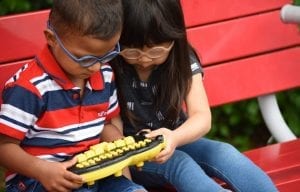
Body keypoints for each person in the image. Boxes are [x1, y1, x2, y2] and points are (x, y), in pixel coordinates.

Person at [111, 0, 279, 191]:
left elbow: (202, 117)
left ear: (174, 38)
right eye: (131, 51)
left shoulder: (182, 60)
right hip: (135, 155)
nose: (144, 59)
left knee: (223, 153)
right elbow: (112, 129)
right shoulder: (112, 66)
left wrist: (174, 138)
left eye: (156, 51)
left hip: (175, 138)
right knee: (179, 164)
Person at [0, 0, 147, 192]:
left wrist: (123, 150)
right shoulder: (30, 87)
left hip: (95, 174)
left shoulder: (105, 74)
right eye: (84, 58)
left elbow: (105, 126)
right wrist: (42, 170)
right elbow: (4, 146)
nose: (95, 66)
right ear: (52, 39)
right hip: (38, 180)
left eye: (106, 55)